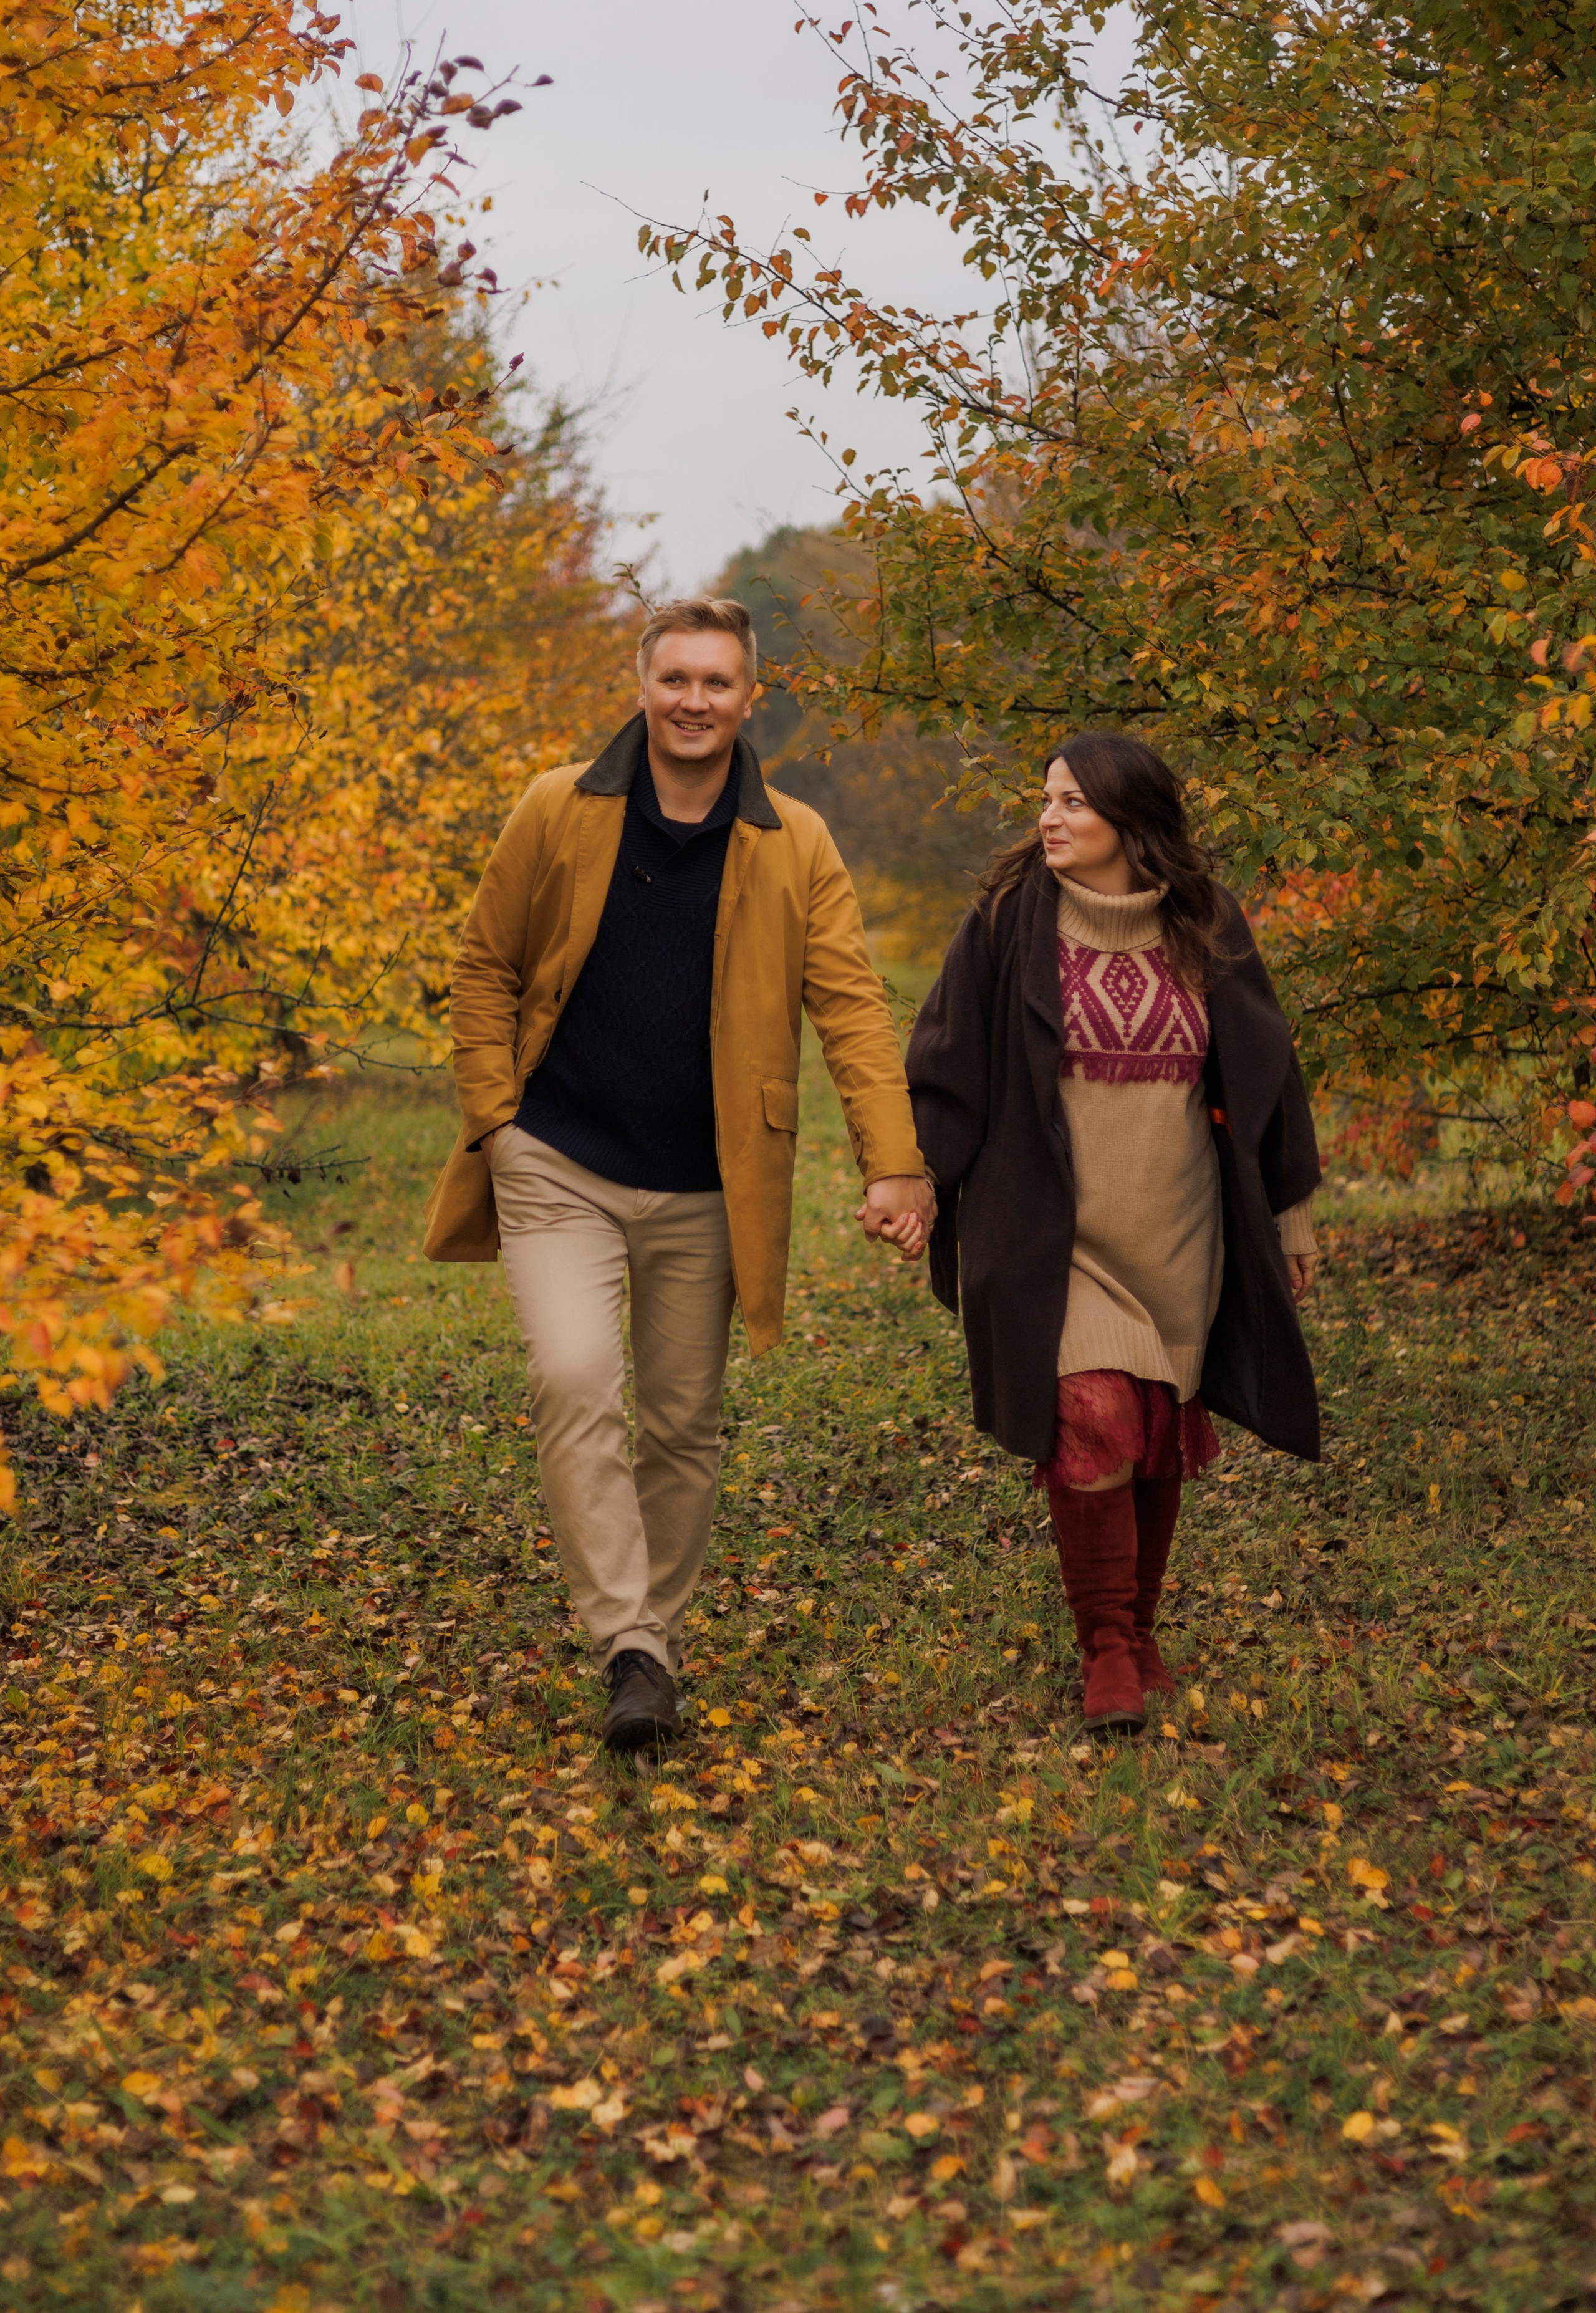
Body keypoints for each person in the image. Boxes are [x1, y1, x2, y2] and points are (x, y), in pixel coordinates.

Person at [423, 597, 933, 1752]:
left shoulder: (796, 841)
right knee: (574, 1377)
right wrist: (497, 1120)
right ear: (643, 685)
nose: (694, 700)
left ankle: (647, 1636)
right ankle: (631, 1642)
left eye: (716, 682)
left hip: (711, 1182)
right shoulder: (559, 806)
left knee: (682, 1424)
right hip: (557, 1159)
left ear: (751, 697)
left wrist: (894, 1164)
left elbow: (853, 1010)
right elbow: (484, 965)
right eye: (676, 679)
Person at [906, 733, 1320, 1736]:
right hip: (1053, 1237)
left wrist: (1291, 1212)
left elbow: (1267, 1073)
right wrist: (915, 1177)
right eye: (1046, 799)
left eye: (1073, 803)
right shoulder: (1008, 922)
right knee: (1090, 1417)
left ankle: (1138, 1631)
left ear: (1132, 820)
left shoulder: (1204, 922)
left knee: (1156, 1435)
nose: (1048, 818)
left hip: (1180, 1231)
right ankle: (1105, 1647)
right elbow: (945, 1058)